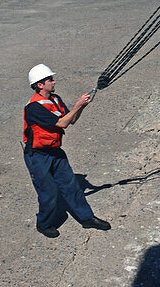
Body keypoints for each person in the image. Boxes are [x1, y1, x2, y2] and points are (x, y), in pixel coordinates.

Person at [22, 64, 111, 238]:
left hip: (55, 152)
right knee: (49, 193)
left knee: (71, 186)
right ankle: (44, 223)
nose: (54, 82)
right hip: (38, 156)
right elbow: (61, 124)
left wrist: (82, 106)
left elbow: (70, 120)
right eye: (50, 80)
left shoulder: (55, 99)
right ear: (40, 85)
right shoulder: (34, 107)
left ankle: (87, 218)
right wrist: (78, 105)